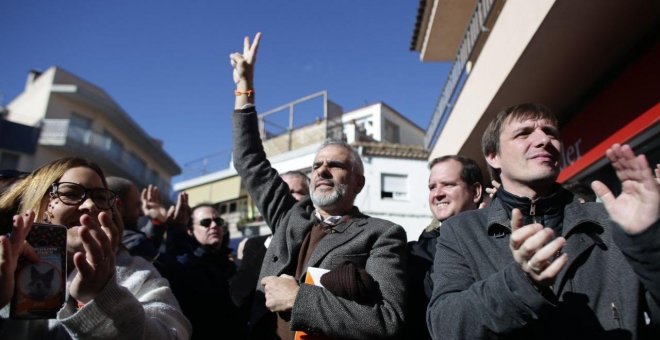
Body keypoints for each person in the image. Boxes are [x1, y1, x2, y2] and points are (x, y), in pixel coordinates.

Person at [427, 103, 660, 339]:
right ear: (493, 156)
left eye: (551, 132)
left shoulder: (608, 221)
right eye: (524, 133)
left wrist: (648, 240)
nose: (543, 140)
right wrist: (522, 281)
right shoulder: (463, 230)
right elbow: (446, 327)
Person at [230, 32, 407, 339]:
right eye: (316, 166)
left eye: (335, 165)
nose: (322, 170)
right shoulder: (289, 215)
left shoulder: (381, 234)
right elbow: (250, 161)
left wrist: (298, 299)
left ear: (358, 182)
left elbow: (387, 320)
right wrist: (244, 89)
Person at [0, 157, 191, 339]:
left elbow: (173, 333)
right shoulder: (6, 260)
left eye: (100, 197)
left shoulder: (137, 272)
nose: (91, 205)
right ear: (39, 202)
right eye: (71, 193)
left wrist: (103, 298)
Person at [405, 155, 483, 339]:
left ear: (476, 192)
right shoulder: (411, 253)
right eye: (432, 187)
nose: (437, 193)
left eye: (448, 184)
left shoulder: (501, 238)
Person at [230, 171, 311, 336]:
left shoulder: (321, 242)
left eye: (298, 192)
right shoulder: (254, 245)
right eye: (282, 192)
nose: (289, 198)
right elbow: (237, 299)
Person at [155, 202, 239, 340]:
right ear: (190, 230)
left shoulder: (232, 263)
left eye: (218, 221)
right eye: (206, 222)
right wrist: (175, 230)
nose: (214, 226)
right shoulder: (186, 263)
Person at [106, 177, 167, 261]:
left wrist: (158, 222)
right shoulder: (136, 243)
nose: (142, 213)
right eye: (137, 205)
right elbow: (180, 270)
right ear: (117, 206)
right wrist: (177, 228)